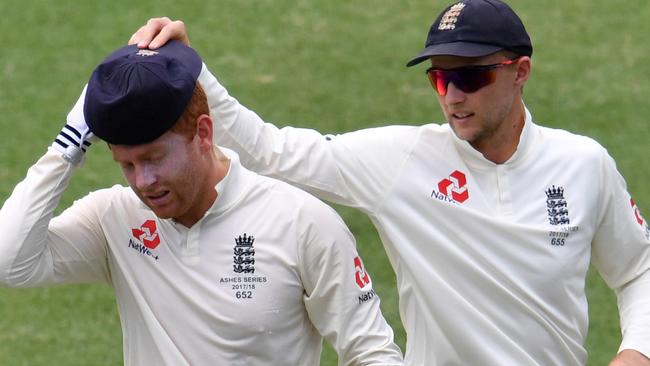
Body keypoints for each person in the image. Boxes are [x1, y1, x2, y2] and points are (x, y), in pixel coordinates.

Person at [129, 1, 650, 365]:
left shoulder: (585, 164)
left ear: (521, 72)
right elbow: (269, 149)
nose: (452, 95)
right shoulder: (400, 160)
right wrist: (190, 64)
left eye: (470, 77)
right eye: (439, 78)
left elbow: (638, 268)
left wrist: (637, 349)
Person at [0, 40, 405, 366]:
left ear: (204, 133)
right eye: (126, 165)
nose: (144, 182)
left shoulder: (302, 223)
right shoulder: (114, 219)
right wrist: (70, 143)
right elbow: (10, 262)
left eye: (155, 159)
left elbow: (370, 353)